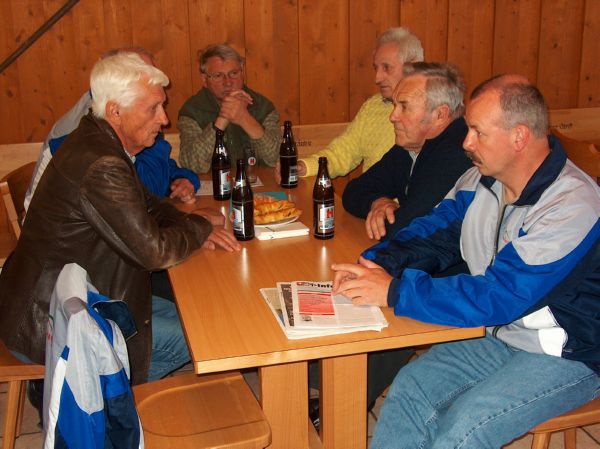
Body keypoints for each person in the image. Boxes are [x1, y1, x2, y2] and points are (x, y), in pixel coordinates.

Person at [332, 75, 600, 449]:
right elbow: (433, 232)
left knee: (466, 427)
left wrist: (394, 292)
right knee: (411, 387)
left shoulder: (571, 207)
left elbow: (498, 296)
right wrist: (376, 264)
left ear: (519, 137)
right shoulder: (482, 179)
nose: (466, 142)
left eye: (477, 132)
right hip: (501, 334)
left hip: (571, 354)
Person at [0, 53, 241, 391]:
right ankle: (88, 394)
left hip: (76, 297)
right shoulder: (101, 163)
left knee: (200, 315)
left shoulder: (97, 139)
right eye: (153, 108)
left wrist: (189, 219)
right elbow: (154, 253)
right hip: (55, 322)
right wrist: (199, 228)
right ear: (115, 111)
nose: (164, 119)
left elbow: (145, 203)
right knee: (204, 334)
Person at [24, 47, 199, 211]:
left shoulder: (127, 116)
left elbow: (145, 187)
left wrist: (178, 178)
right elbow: (141, 195)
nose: (165, 120)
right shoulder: (83, 140)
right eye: (138, 73)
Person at [275, 27, 424, 183]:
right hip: (369, 196)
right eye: (376, 68)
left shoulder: (429, 113)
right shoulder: (373, 106)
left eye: (386, 68)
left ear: (412, 68)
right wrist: (303, 167)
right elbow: (344, 151)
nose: (377, 78)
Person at [342, 62, 472, 241]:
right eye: (394, 105)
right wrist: (378, 203)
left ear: (440, 115)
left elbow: (404, 229)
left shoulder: (457, 155)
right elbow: (353, 190)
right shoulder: (410, 147)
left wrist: (388, 217)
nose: (392, 117)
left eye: (404, 106)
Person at [178, 44, 280, 173]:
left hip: (257, 182)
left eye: (234, 73)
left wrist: (245, 119)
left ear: (242, 72)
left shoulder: (262, 106)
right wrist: (222, 119)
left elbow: (277, 158)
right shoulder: (192, 111)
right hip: (213, 183)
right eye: (218, 76)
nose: (228, 82)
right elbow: (191, 165)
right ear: (204, 80)